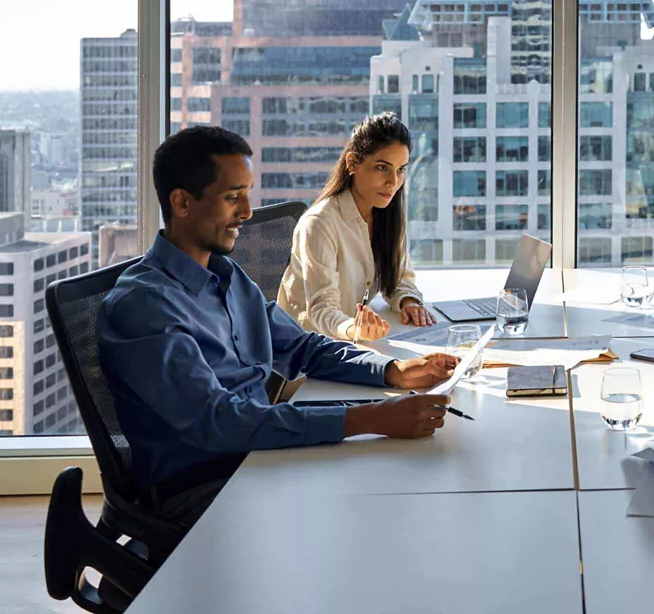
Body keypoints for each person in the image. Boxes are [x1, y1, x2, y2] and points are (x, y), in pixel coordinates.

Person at [99, 125, 458, 529]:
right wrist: (371, 419)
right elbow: (219, 422)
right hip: (204, 486)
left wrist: (391, 371)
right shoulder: (145, 306)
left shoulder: (226, 276)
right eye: (233, 197)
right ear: (182, 202)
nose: (248, 212)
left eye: (248, 194)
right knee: (372, 510)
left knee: (400, 489)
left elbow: (303, 348)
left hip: (257, 455)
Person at [277, 113, 436, 342]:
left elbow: (399, 278)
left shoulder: (386, 214)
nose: (393, 182)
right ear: (352, 163)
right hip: (307, 347)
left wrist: (408, 301)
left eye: (400, 169)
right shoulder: (320, 223)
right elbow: (321, 309)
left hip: (350, 341)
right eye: (382, 167)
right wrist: (354, 329)